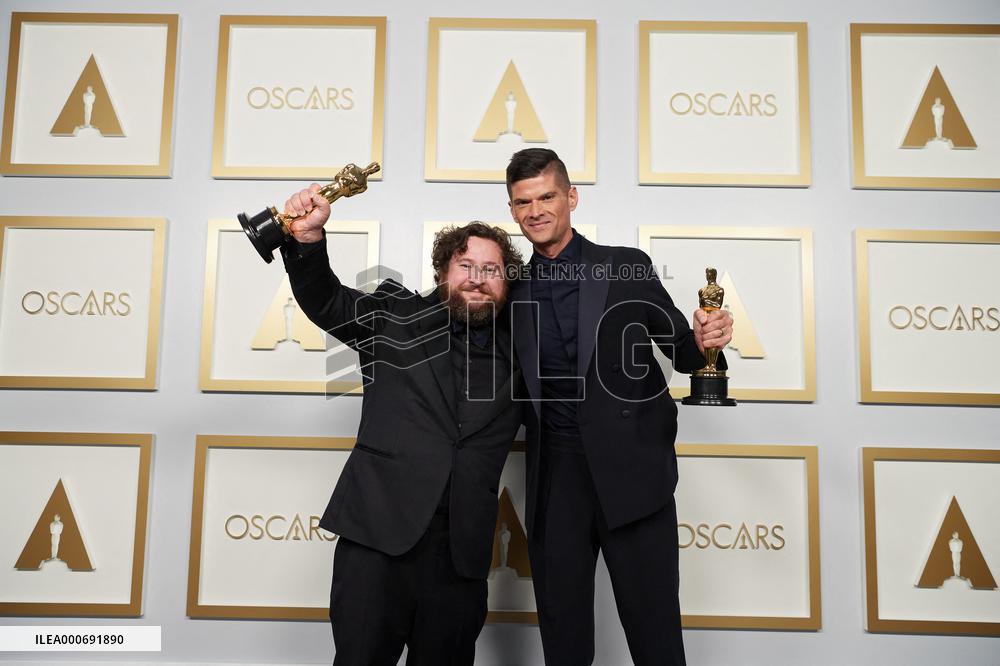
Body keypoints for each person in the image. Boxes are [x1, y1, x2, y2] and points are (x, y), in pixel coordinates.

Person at [504, 148, 734, 666]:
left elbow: (682, 349)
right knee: (564, 645)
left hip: (634, 478)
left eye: (546, 197)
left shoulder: (625, 267)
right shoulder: (509, 287)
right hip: (554, 484)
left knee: (656, 639)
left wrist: (706, 341)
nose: (535, 211)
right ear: (512, 210)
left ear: (571, 197)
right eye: (523, 202)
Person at [279, 184, 523, 665]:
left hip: (461, 559)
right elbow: (327, 301)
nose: (478, 279)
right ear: (442, 273)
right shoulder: (393, 316)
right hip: (376, 542)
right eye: (466, 266)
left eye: (492, 269)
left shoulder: (525, 349)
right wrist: (307, 241)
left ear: (507, 283)